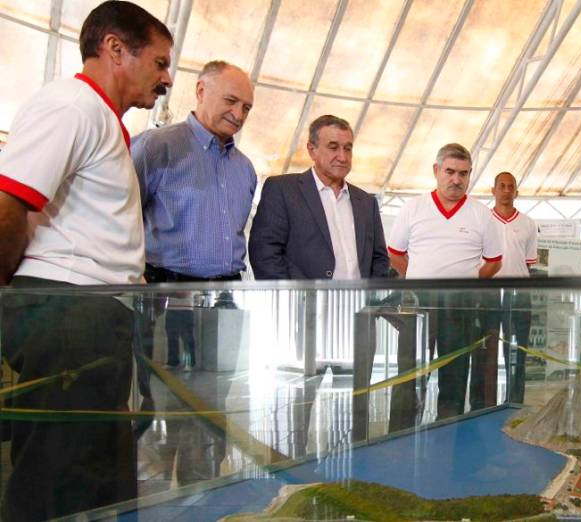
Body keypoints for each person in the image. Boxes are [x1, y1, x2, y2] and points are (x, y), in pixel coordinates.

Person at [0, 2, 173, 519]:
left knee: (97, 469)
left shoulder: (100, 117)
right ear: (115, 48)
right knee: (57, 472)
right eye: (160, 62)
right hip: (68, 313)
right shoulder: (71, 105)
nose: (166, 78)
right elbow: (10, 203)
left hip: (91, 315)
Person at [388, 143, 503, 419]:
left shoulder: (481, 214)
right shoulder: (413, 208)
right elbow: (395, 255)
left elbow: (494, 262)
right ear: (436, 171)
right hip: (418, 305)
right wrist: (419, 282)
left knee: (455, 374)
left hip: (460, 307)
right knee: (410, 375)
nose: (456, 179)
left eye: (463, 173)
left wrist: (467, 284)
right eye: (450, 171)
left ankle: (449, 433)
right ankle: (402, 435)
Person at [133, 60, 256, 283]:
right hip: (165, 288)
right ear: (201, 91)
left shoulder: (245, 168)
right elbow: (119, 219)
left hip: (229, 292)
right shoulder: (156, 147)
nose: (238, 115)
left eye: (246, 108)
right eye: (230, 101)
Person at [249, 114, 389, 280]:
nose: (343, 157)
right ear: (311, 150)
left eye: (348, 148)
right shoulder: (283, 190)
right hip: (302, 303)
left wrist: (369, 301)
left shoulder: (366, 202)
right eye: (333, 147)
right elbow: (265, 252)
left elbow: (379, 259)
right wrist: (291, 300)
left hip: (357, 304)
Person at [473, 172, 538, 408]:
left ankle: (515, 401)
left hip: (518, 294)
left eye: (511, 187)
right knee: (484, 349)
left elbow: (529, 263)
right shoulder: (481, 220)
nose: (506, 190)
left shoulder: (528, 224)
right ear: (493, 190)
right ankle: (481, 403)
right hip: (488, 294)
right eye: (502, 186)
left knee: (517, 351)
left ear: (516, 192)